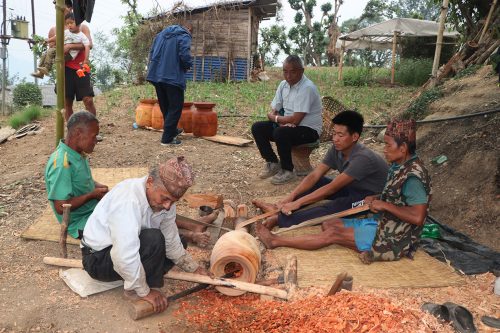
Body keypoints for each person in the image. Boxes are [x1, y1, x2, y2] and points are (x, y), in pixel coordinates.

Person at [256, 118, 432, 265]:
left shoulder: (413, 177)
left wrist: (383, 204)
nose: (384, 150)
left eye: (387, 145)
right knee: (329, 224)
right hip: (384, 221)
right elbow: (318, 176)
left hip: (396, 237)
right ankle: (356, 241)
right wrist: (378, 198)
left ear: (403, 149)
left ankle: (275, 241)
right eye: (334, 134)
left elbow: (418, 217)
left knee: (332, 231)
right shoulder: (399, 165)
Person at [81, 157, 209, 313]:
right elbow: (123, 254)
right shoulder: (128, 200)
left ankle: (138, 278)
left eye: (173, 202)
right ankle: (134, 289)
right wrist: (145, 291)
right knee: (153, 239)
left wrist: (194, 268)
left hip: (122, 251)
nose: (168, 206)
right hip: (98, 259)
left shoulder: (165, 202)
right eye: (165, 199)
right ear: (149, 182)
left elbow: (171, 238)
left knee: (179, 242)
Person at [253, 110, 388, 230]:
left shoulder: (362, 158)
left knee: (334, 207)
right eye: (334, 133)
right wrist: (291, 197)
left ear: (355, 137)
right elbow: (315, 175)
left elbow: (332, 188)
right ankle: (279, 209)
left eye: (340, 135)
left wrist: (298, 203)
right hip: (351, 188)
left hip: (369, 197)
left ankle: (281, 219)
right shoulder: (336, 148)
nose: (335, 139)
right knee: (319, 181)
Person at [251, 55, 322, 185]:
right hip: (288, 125)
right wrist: (277, 119)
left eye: (292, 72)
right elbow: (275, 109)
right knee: (257, 127)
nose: (288, 76)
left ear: (301, 71)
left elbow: (296, 120)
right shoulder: (283, 85)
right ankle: (272, 162)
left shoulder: (306, 88)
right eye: (285, 71)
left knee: (281, 132)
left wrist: (276, 119)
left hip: (309, 131)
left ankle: (288, 170)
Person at [44, 111, 108, 239]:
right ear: (78, 133)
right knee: (124, 229)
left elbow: (79, 180)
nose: (96, 140)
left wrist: (97, 186)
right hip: (80, 223)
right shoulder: (62, 164)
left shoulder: (76, 153)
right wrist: (92, 195)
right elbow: (61, 207)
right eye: (94, 136)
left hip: (92, 211)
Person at [146, 23, 193, 146]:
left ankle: (171, 131)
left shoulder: (160, 35)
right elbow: (184, 53)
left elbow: (151, 53)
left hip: (156, 75)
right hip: (172, 76)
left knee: (165, 106)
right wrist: (187, 65)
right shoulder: (184, 35)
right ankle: (167, 139)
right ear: (189, 29)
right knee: (175, 106)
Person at [32, 12, 90, 79]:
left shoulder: (81, 36)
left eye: (71, 23)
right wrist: (48, 40)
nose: (69, 25)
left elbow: (87, 46)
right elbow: (57, 37)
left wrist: (86, 59)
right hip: (62, 50)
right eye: (67, 23)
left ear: (79, 23)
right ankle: (41, 72)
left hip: (69, 55)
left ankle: (46, 68)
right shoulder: (67, 32)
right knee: (45, 54)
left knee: (50, 52)